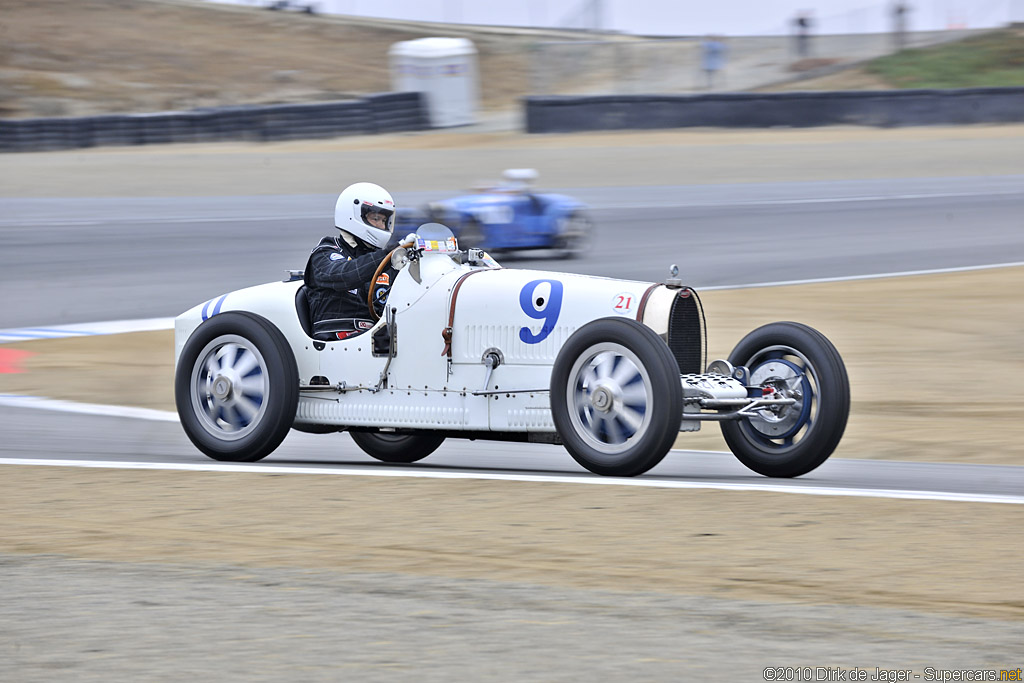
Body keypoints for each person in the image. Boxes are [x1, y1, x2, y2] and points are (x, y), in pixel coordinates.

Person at [303, 182, 402, 341]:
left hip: (376, 340)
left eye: (384, 221)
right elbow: (345, 275)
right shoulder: (326, 251)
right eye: (376, 218)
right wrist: (389, 255)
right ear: (353, 215)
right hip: (336, 340)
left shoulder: (385, 261)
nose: (382, 225)